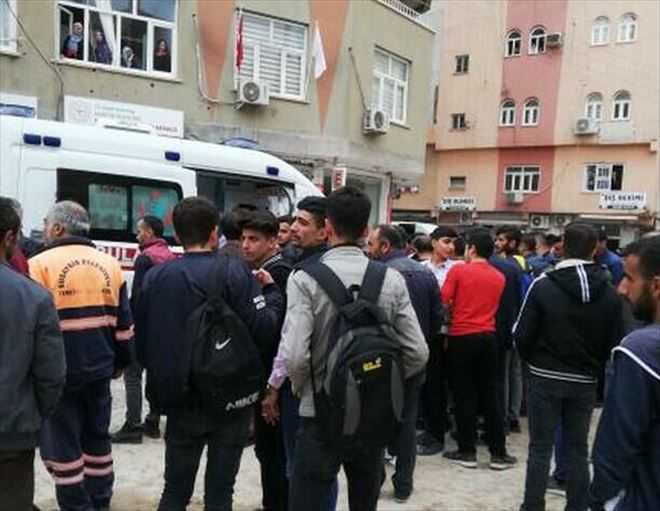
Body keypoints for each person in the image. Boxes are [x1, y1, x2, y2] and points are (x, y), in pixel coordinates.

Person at [281, 187, 428, 511]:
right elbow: (418, 352)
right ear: (365, 230)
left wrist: (304, 389)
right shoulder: (390, 279)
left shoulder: (304, 279)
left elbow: (295, 356)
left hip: (319, 413)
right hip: (372, 411)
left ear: (327, 227)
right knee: (364, 501)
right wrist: (386, 382)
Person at [135, 197, 284, 511]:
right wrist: (271, 293)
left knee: (175, 490)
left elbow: (144, 341)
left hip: (180, 397)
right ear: (215, 233)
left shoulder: (155, 277)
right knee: (220, 492)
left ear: (177, 234)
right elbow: (264, 329)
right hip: (229, 396)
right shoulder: (236, 273)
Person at [29, 201, 134, 511]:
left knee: (63, 445)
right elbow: (125, 326)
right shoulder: (110, 265)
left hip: (58, 373)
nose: (44, 229)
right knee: (98, 440)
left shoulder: (38, 265)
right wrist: (119, 363)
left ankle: (75, 505)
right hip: (100, 370)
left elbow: (33, 327)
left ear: (57, 228)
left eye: (46, 223)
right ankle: (100, 501)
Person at [514, 222, 622, 511]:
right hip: (584, 380)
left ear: (561, 246)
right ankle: (577, 505)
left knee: (540, 448)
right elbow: (615, 339)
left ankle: (532, 505)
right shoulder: (609, 291)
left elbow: (522, 334)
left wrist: (533, 362)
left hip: (544, 376)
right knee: (577, 450)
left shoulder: (543, 285)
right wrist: (594, 365)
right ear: (594, 248)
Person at [261, 197, 338, 511]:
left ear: (325, 230)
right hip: (344, 382)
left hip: (304, 387)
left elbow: (291, 347)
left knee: (299, 467)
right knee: (327, 469)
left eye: (303, 222)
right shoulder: (367, 272)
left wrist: (276, 386)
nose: (293, 228)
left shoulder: (302, 274)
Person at [367, 224, 442, 502]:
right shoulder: (425, 273)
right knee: (408, 422)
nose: (368, 249)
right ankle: (403, 485)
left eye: (371, 243)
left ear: (385, 246)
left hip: (382, 359)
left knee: (376, 421)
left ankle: (374, 480)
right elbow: (437, 316)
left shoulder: (378, 275)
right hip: (415, 359)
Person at [0, 197, 66, 511]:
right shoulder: (34, 297)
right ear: (10, 237)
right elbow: (51, 376)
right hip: (11, 432)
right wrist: (35, 415)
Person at [590, 236, 660, 511]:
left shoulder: (641, 350)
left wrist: (600, 498)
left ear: (656, 286)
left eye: (630, 279)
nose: (621, 289)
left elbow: (618, 443)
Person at [441, 228, 516, 470]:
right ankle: (498, 453)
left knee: (464, 395)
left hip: (461, 337)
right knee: (491, 394)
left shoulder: (458, 271)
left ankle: (467, 451)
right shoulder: (498, 277)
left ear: (471, 249)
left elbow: (444, 300)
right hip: (488, 337)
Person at [241, 210, 292, 511]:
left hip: (274, 375)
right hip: (266, 372)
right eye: (244, 238)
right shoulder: (261, 269)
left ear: (273, 242)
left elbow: (280, 332)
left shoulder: (279, 273)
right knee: (266, 450)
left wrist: (274, 386)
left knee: (273, 451)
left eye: (254, 239)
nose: (246, 245)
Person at [113, 216, 175, 444]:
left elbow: (139, 296)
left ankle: (133, 425)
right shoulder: (169, 256)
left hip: (142, 325)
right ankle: (153, 420)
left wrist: (129, 324)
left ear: (149, 232)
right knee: (155, 373)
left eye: (140, 231)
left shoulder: (144, 259)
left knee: (132, 374)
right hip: (163, 324)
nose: (137, 235)